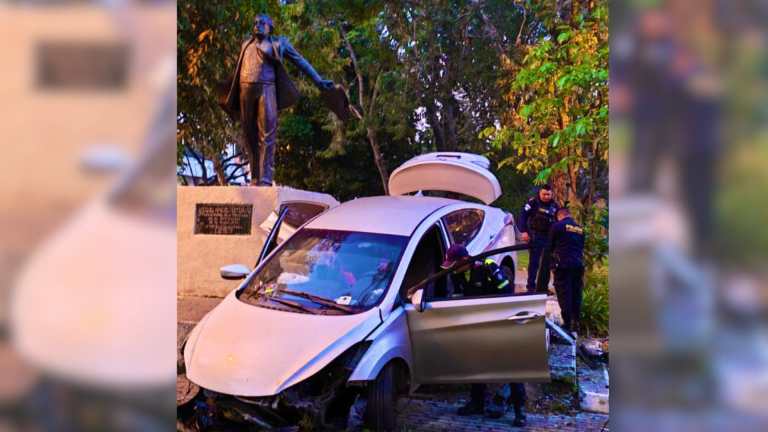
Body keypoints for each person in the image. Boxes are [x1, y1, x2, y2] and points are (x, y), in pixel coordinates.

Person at [224, 14, 336, 186]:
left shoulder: (279, 43)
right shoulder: (245, 44)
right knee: (249, 134)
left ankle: (265, 179)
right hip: (244, 90)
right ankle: (254, 177)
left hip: (267, 89)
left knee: (267, 134)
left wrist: (318, 81)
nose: (257, 26)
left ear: (270, 27)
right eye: (255, 23)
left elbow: (301, 61)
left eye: (262, 23)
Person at [441, 245, 526, 426]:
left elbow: (506, 293)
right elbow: (457, 299)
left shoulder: (488, 267)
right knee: (476, 365)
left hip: (500, 323)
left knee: (513, 368)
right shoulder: (457, 274)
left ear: (464, 260)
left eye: (454, 264)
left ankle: (520, 411)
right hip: (477, 326)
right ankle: (476, 403)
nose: (452, 268)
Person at [546, 208, 586, 338]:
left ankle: (567, 324)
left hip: (563, 265)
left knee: (564, 294)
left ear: (559, 216)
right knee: (576, 293)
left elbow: (549, 247)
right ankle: (576, 322)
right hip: (578, 265)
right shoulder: (580, 228)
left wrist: (551, 264)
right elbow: (581, 247)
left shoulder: (557, 226)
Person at [519, 185, 559, 293]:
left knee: (547, 264)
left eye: (548, 194)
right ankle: (531, 287)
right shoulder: (533, 203)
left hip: (549, 238)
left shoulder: (555, 206)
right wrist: (523, 231)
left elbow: (559, 222)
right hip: (535, 236)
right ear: (540, 193)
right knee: (534, 263)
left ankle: (543, 288)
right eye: (544, 194)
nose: (546, 196)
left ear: (552, 194)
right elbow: (523, 216)